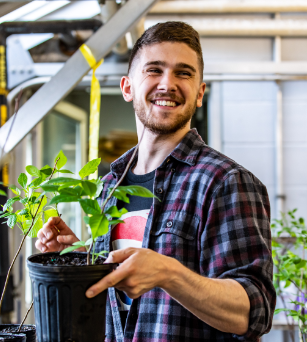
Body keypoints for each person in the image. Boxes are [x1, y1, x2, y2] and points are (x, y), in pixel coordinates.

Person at [36, 21, 276, 341]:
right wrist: (78, 256)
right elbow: (115, 300)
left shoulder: (226, 183)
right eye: (154, 70)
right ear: (127, 87)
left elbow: (254, 311)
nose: (168, 83)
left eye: (184, 73)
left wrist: (168, 273)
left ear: (200, 93)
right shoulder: (110, 184)